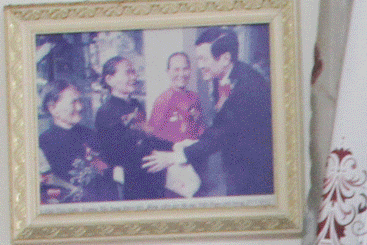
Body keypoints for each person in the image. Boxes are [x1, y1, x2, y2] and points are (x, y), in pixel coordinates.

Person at [144, 28, 274, 198]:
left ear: (226, 58)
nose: (199, 66)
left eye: (203, 59)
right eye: (198, 59)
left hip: (255, 170)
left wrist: (176, 156)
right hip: (233, 165)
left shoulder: (249, 87)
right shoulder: (219, 77)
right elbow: (220, 124)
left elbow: (222, 133)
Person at [93, 54, 172, 202]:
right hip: (130, 180)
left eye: (133, 72)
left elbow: (147, 135)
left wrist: (173, 147)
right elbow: (113, 152)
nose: (133, 77)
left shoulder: (135, 104)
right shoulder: (105, 112)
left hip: (151, 173)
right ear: (110, 80)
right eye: (127, 72)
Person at [38, 78, 117, 206]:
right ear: (53, 108)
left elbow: (108, 175)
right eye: (73, 102)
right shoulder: (42, 145)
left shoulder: (91, 135)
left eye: (79, 101)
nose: (80, 107)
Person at [146, 48, 205, 147]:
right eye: (176, 70)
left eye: (185, 69)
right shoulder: (163, 101)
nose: (181, 74)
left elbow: (200, 129)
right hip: (172, 156)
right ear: (168, 72)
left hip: (193, 155)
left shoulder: (194, 97)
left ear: (190, 70)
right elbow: (154, 135)